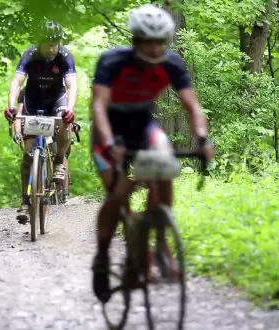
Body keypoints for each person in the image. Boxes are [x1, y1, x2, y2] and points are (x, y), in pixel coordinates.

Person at [89, 4, 215, 303]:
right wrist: (110, 143)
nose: (154, 48)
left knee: (165, 161)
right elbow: (98, 106)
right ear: (135, 40)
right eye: (148, 41)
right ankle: (103, 257)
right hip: (110, 129)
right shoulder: (112, 61)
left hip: (144, 126)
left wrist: (202, 138)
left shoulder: (171, 63)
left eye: (160, 42)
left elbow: (192, 106)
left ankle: (160, 241)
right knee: (118, 195)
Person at [5, 20, 77, 217]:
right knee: (27, 156)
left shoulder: (65, 56)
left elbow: (71, 86)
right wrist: (11, 106)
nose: (52, 48)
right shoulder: (30, 55)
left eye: (56, 44)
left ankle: (60, 162)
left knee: (65, 119)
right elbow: (17, 82)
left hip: (56, 100)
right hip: (33, 101)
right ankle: (26, 201)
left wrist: (70, 109)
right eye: (48, 44)